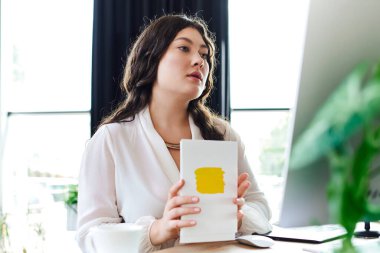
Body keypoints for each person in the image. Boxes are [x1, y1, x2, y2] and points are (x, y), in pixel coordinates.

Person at [76, 14, 272, 253]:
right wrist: (157, 231)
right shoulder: (111, 140)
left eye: (204, 54)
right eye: (184, 48)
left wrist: (240, 217)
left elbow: (260, 207)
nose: (199, 61)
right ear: (151, 58)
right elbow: (89, 236)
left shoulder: (222, 134)